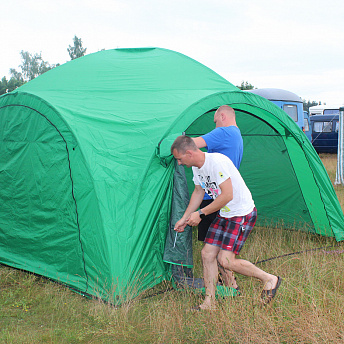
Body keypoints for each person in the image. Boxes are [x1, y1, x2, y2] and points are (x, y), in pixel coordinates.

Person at [171, 135, 281, 310]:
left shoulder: (217, 162)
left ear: (189, 153)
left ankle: (269, 279)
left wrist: (200, 213)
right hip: (224, 212)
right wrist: (185, 218)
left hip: (241, 213)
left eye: (179, 159)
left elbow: (227, 195)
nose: (179, 163)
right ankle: (209, 302)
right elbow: (198, 193)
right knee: (207, 254)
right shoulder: (197, 168)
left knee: (226, 261)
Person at [192, 105, 243, 290]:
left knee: (211, 249)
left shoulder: (224, 132)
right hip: (222, 196)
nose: (214, 127)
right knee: (217, 248)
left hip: (214, 197)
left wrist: (172, 140)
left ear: (222, 116)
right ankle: (228, 284)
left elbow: (191, 146)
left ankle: (231, 285)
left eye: (215, 121)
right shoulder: (236, 134)